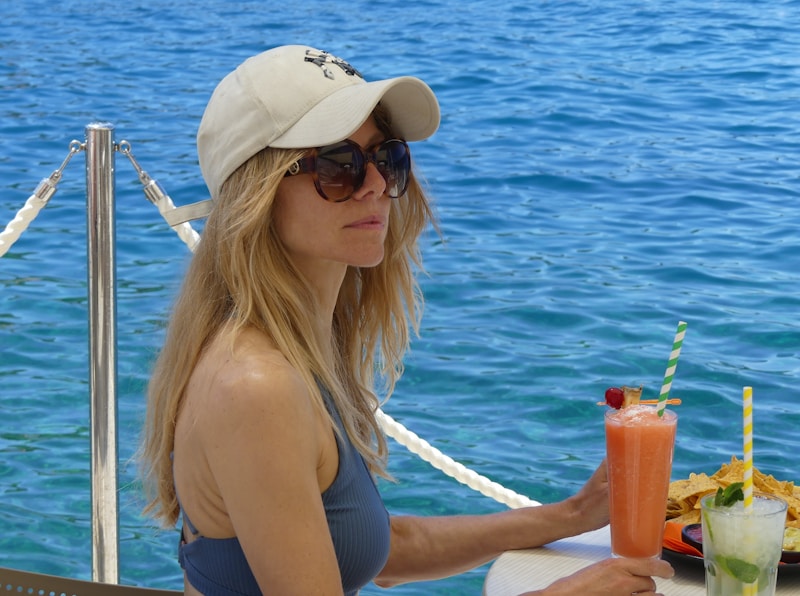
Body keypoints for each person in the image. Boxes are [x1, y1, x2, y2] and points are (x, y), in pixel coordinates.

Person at [140, 45, 674, 596]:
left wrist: (571, 516)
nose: (374, 184)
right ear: (257, 193)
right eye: (338, 165)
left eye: (386, 157)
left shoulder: (302, 348)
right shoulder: (256, 387)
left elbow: (380, 549)